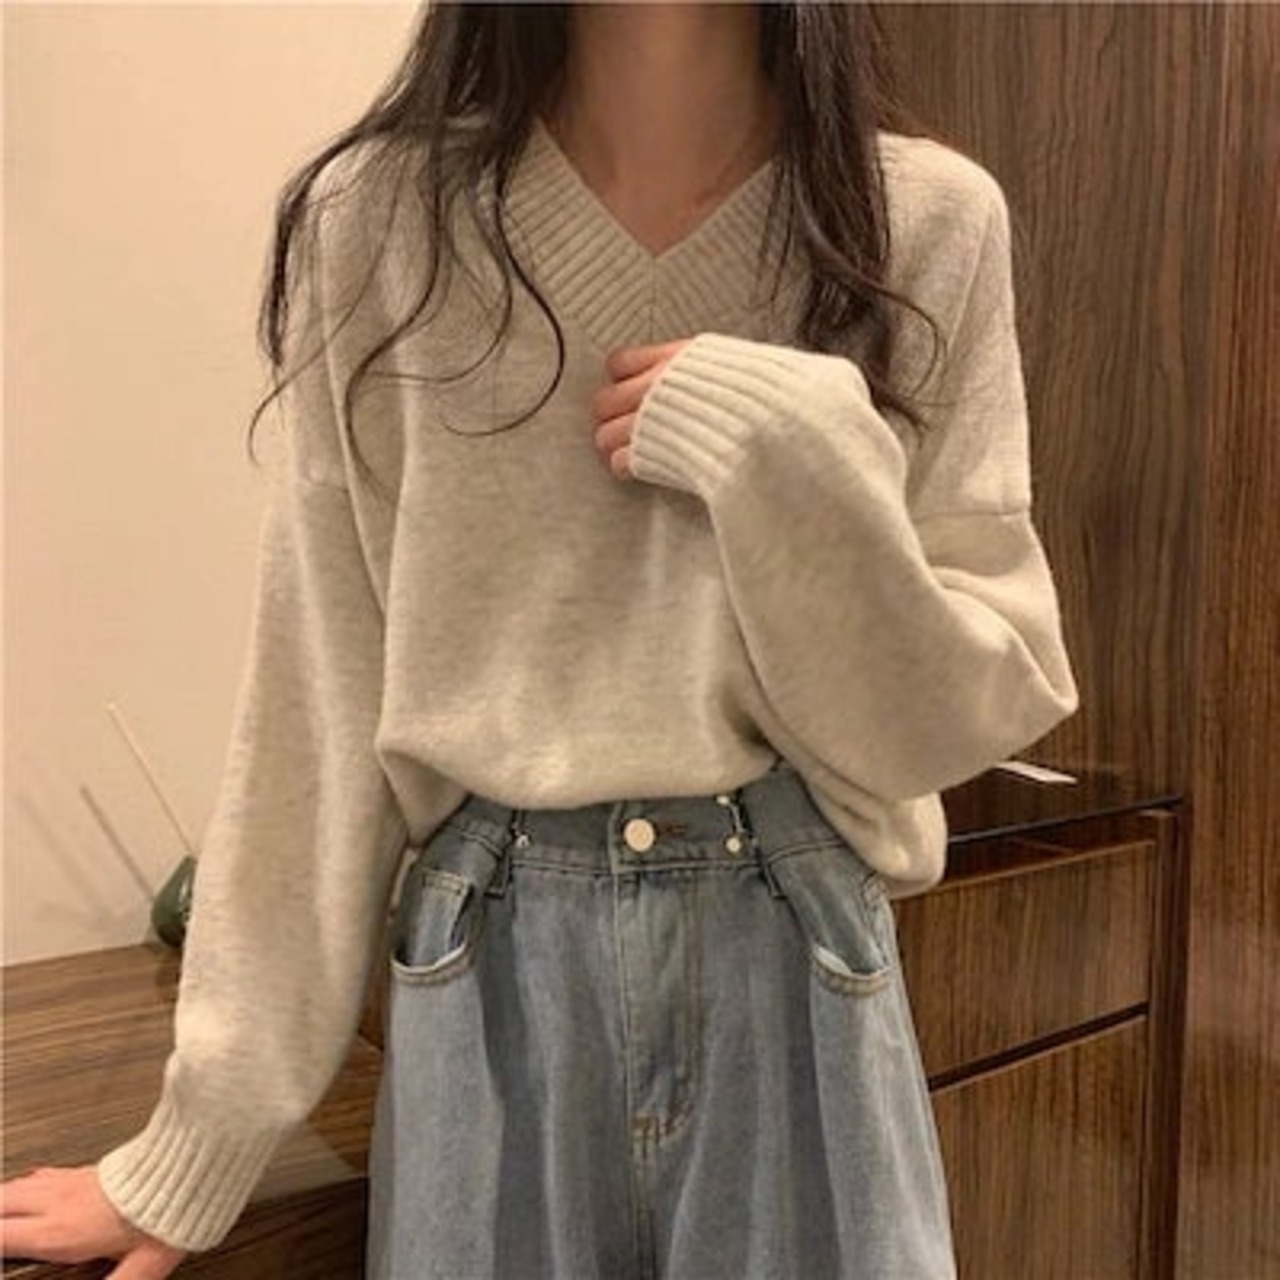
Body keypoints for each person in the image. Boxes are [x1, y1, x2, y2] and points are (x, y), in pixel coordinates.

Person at [1, 3, 1079, 1277]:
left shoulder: (922, 222)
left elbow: (953, 721)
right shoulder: (380, 224)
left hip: (794, 960)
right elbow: (318, 706)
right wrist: (199, 1141)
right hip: (491, 977)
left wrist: (802, 465)